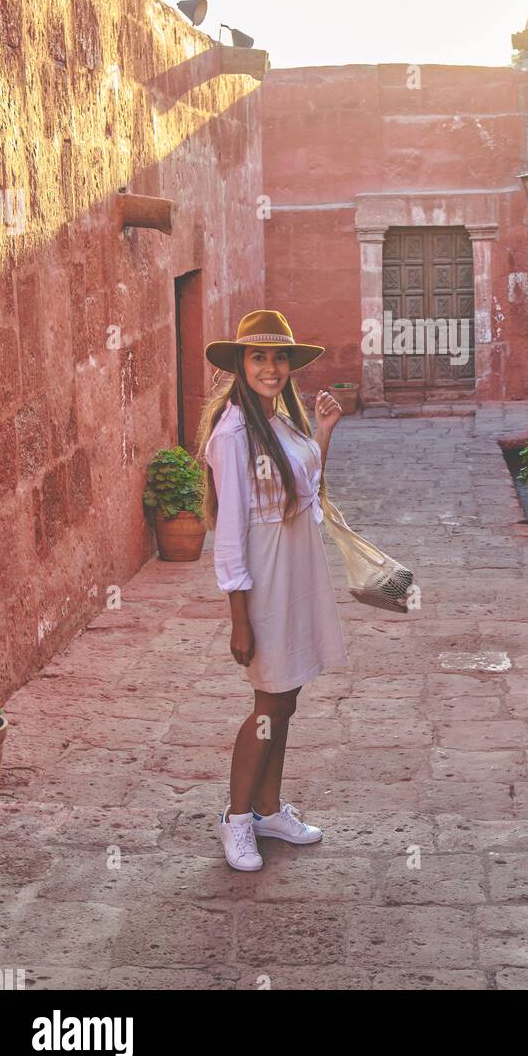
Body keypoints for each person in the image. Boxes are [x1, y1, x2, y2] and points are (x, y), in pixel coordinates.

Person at [196, 309, 346, 871]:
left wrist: (323, 435)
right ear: (240, 364)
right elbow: (231, 535)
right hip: (265, 580)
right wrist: (240, 616)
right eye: (259, 356)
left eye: (280, 356)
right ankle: (235, 820)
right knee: (270, 701)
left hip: (298, 571)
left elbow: (304, 493)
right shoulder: (233, 434)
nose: (271, 366)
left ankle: (268, 808)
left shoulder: (281, 420)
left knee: (289, 695)